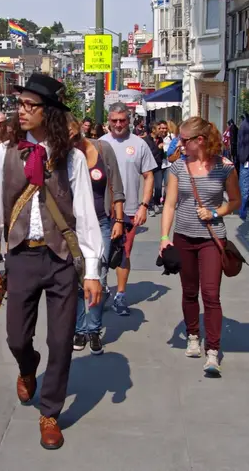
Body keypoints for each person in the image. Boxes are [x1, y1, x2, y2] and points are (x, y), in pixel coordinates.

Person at [0, 73, 103, 450]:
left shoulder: (72, 157)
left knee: (62, 340)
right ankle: (27, 365)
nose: (21, 111)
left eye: (29, 105)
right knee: (17, 337)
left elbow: (85, 214)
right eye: (19, 104)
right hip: (20, 255)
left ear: (47, 111)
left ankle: (50, 412)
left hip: (61, 257)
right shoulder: (2, 154)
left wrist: (93, 271)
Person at [159, 117, 241, 375]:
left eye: (184, 140)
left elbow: (235, 201)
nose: (179, 145)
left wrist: (215, 212)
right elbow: (169, 204)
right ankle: (193, 335)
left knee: (211, 294)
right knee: (189, 291)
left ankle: (213, 351)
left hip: (211, 239)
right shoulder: (178, 167)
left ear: (200, 140)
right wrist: (164, 237)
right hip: (183, 237)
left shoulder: (225, 167)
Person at [68, 115, 125, 355]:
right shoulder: (66, 156)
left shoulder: (102, 149)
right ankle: (79, 329)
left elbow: (117, 186)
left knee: (99, 275)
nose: (71, 141)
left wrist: (119, 220)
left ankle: (93, 329)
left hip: (102, 221)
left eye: (73, 136)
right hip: (74, 226)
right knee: (78, 277)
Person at [100, 103, 157, 316]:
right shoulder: (100, 144)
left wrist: (144, 206)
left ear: (129, 120)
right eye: (114, 120)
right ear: (108, 120)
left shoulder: (139, 144)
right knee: (100, 254)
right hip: (103, 210)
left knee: (123, 253)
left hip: (129, 210)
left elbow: (149, 176)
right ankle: (102, 289)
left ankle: (121, 295)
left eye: (122, 120)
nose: (118, 124)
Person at [144, 121, 165, 217]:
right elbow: (149, 153)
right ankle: (150, 207)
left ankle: (156, 202)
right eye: (158, 128)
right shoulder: (146, 140)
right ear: (153, 130)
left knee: (158, 187)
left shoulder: (160, 139)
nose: (160, 130)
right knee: (149, 188)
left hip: (158, 166)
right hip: (148, 167)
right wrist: (158, 147)